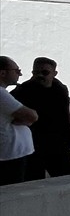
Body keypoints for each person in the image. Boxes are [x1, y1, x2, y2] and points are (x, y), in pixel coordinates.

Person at [12, 57, 70, 178]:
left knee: (66, 180)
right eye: (36, 72)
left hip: (58, 143)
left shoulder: (60, 89)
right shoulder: (23, 90)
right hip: (34, 145)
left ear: (54, 73)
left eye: (45, 72)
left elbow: (65, 118)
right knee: (34, 182)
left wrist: (69, 141)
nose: (40, 75)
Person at [0, 56, 37, 185]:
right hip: (10, 156)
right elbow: (32, 116)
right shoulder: (1, 94)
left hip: (12, 153)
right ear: (3, 73)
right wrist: (29, 118)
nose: (20, 74)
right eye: (16, 70)